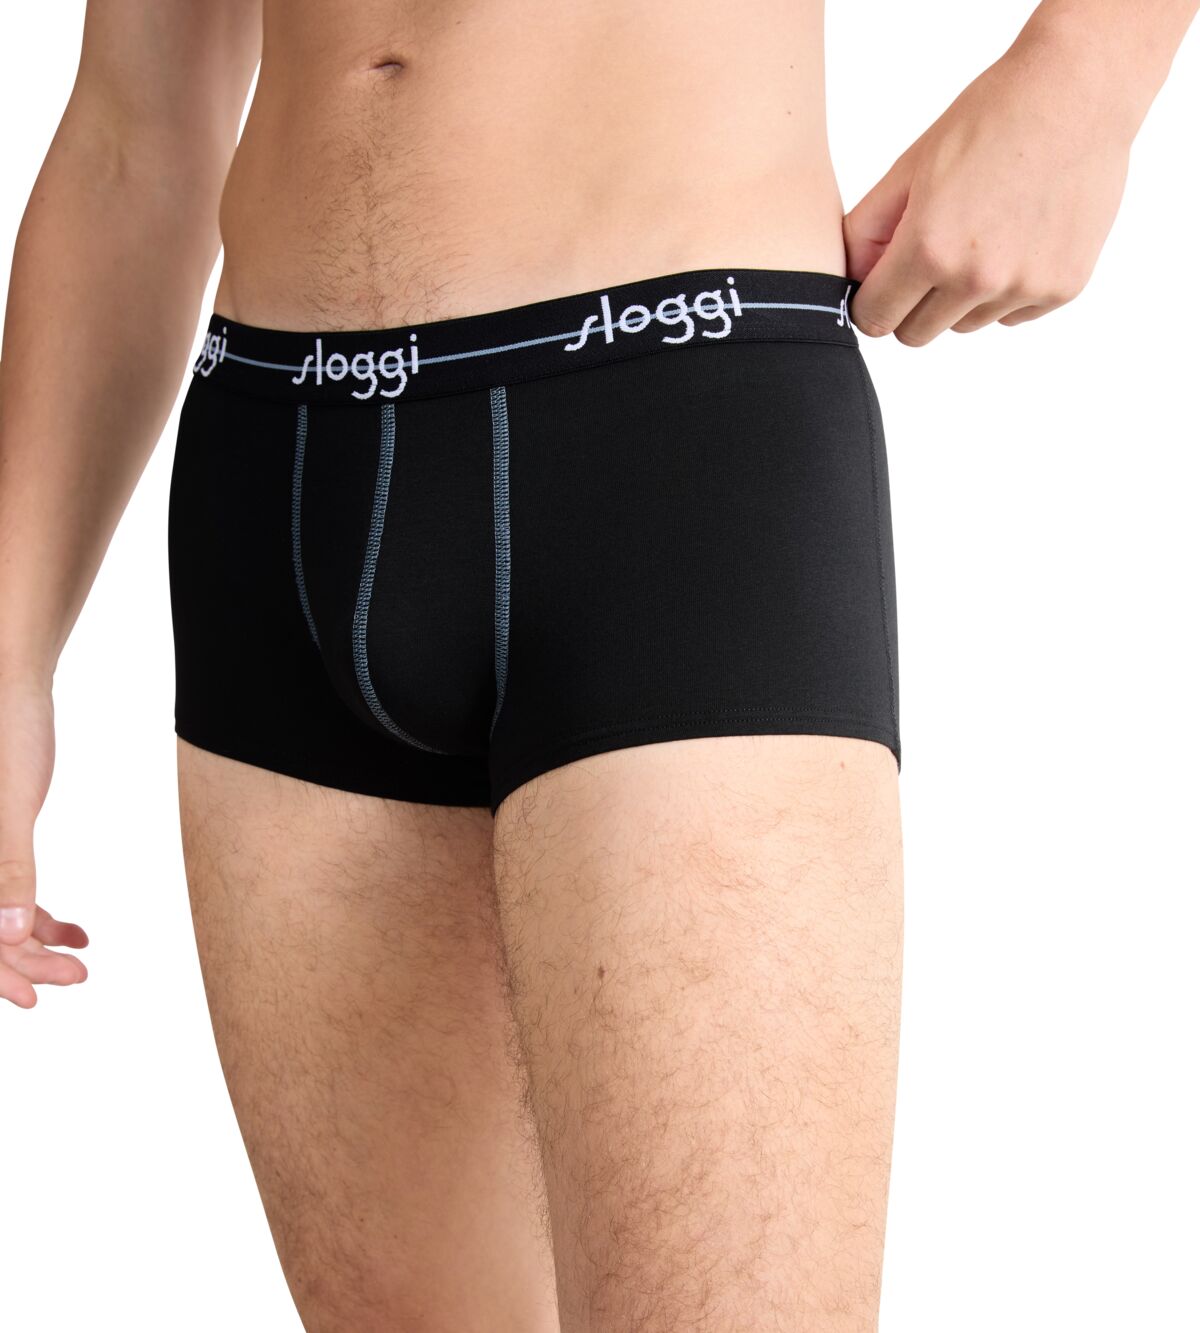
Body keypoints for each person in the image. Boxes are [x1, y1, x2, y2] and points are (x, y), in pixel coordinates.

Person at [0, 0, 1194, 1328]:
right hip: (273, 470)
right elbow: (136, 125)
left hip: (666, 433)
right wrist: (8, 656)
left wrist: (1089, 69)